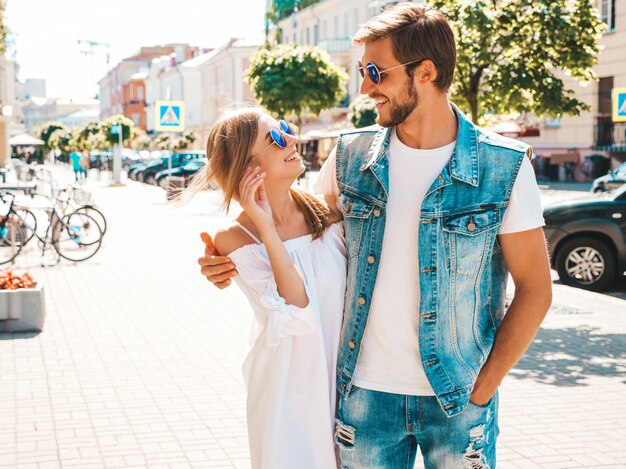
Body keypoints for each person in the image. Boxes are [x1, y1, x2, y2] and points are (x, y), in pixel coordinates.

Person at [199, 4, 552, 468]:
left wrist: (483, 390)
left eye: (374, 72)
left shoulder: (502, 167)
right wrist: (227, 257)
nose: (364, 87)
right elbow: (296, 229)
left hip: (458, 400)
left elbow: (535, 290)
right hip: (364, 400)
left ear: (425, 72)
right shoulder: (349, 157)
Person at [191, 107, 346, 469]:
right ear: (248, 168)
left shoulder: (328, 212)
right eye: (275, 138)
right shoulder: (234, 238)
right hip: (288, 397)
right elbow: (296, 309)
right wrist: (266, 227)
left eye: (286, 130)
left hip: (344, 390)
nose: (291, 140)